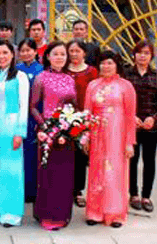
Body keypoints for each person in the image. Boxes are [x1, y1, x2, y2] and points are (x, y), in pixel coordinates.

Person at [85, 50, 137, 228]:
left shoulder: (126, 86)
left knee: (115, 173)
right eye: (102, 63)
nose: (105, 66)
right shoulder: (93, 85)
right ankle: (94, 212)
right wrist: (86, 136)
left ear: (117, 65)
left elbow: (130, 116)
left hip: (117, 136)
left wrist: (130, 142)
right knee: (96, 172)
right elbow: (87, 112)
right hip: (97, 135)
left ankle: (115, 214)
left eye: (109, 63)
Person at [31, 41, 76, 231]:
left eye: (63, 54)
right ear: (48, 56)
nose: (59, 57)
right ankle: (47, 215)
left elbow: (74, 106)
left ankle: (62, 214)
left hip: (67, 133)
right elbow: (33, 106)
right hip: (48, 133)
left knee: (64, 175)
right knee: (48, 174)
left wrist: (73, 127)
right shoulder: (41, 78)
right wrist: (45, 126)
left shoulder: (70, 79)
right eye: (55, 54)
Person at [0, 41, 29, 227]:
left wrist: (20, 132)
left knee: (12, 171)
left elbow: (23, 105)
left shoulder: (20, 77)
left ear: (12, 55)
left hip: (11, 128)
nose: (1, 56)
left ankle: (11, 213)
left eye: (5, 53)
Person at [124, 40, 157, 213]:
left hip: (152, 126)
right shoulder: (127, 75)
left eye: (146, 53)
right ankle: (134, 194)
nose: (142, 56)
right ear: (134, 55)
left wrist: (154, 118)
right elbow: (122, 99)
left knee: (149, 160)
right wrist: (131, 117)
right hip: (132, 125)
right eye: (139, 52)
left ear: (151, 56)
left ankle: (146, 196)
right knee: (132, 159)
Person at [65, 39, 99, 208]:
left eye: (77, 51)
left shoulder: (91, 72)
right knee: (65, 154)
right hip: (64, 118)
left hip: (85, 118)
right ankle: (65, 188)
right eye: (71, 51)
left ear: (84, 53)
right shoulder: (63, 70)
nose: (74, 54)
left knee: (81, 156)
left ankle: (78, 191)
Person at [15, 39, 43, 204]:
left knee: (32, 154)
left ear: (35, 51)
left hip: (34, 116)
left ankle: (32, 191)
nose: (26, 53)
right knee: (20, 154)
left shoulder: (41, 70)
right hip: (18, 116)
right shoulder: (16, 70)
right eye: (23, 50)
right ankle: (20, 189)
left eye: (29, 50)